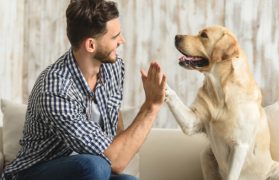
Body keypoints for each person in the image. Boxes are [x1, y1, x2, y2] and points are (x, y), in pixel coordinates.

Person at [2, 0, 166, 179]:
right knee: (94, 165)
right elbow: (116, 160)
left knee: (128, 179)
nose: (122, 40)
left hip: (94, 171)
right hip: (37, 171)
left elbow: (117, 143)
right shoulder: (55, 87)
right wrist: (151, 106)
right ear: (90, 45)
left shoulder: (113, 68)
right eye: (114, 37)